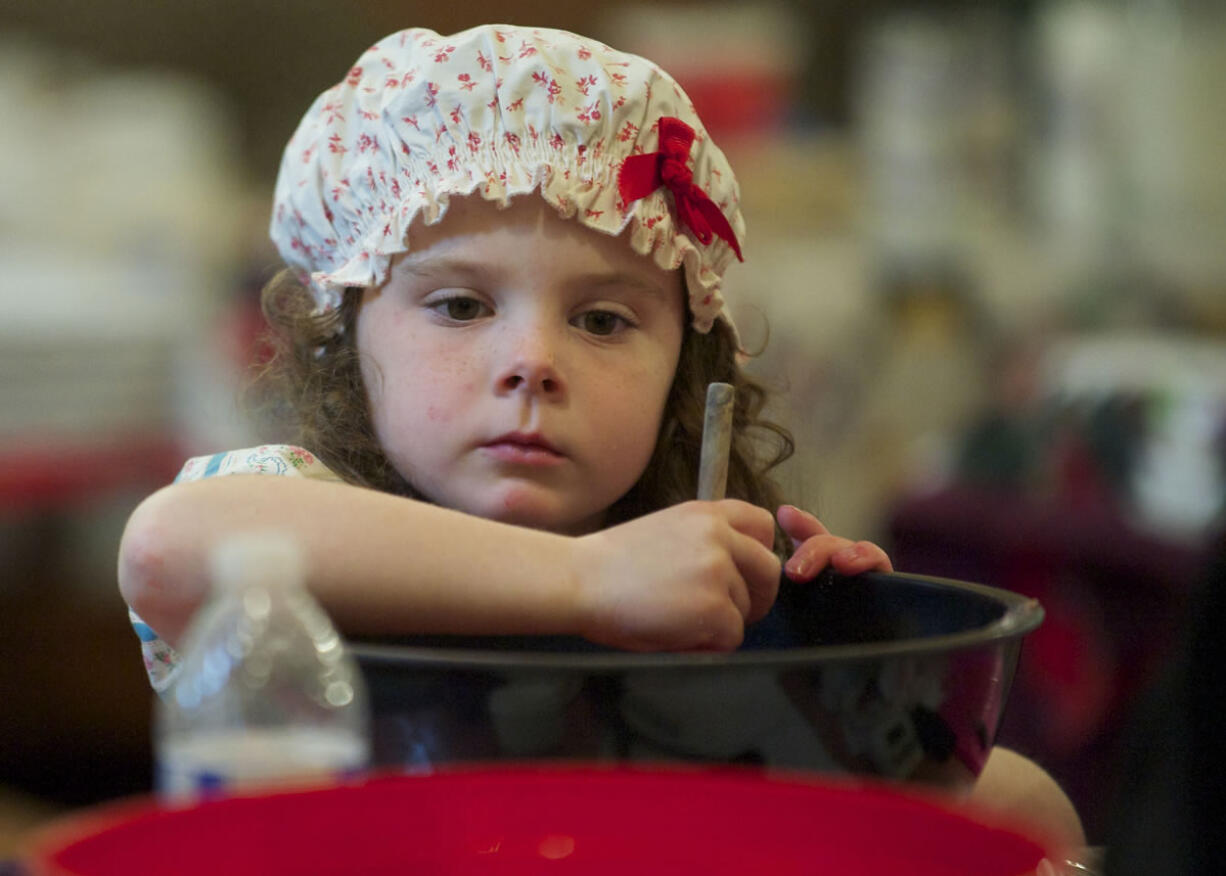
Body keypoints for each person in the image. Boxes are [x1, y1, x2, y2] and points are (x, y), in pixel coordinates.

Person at [117, 23, 1083, 853]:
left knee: (1027, 802)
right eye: (459, 305)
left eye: (604, 322)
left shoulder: (680, 571)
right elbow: (168, 547)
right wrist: (597, 584)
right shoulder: (293, 505)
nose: (532, 361)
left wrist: (827, 669)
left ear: (683, 372)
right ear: (343, 331)